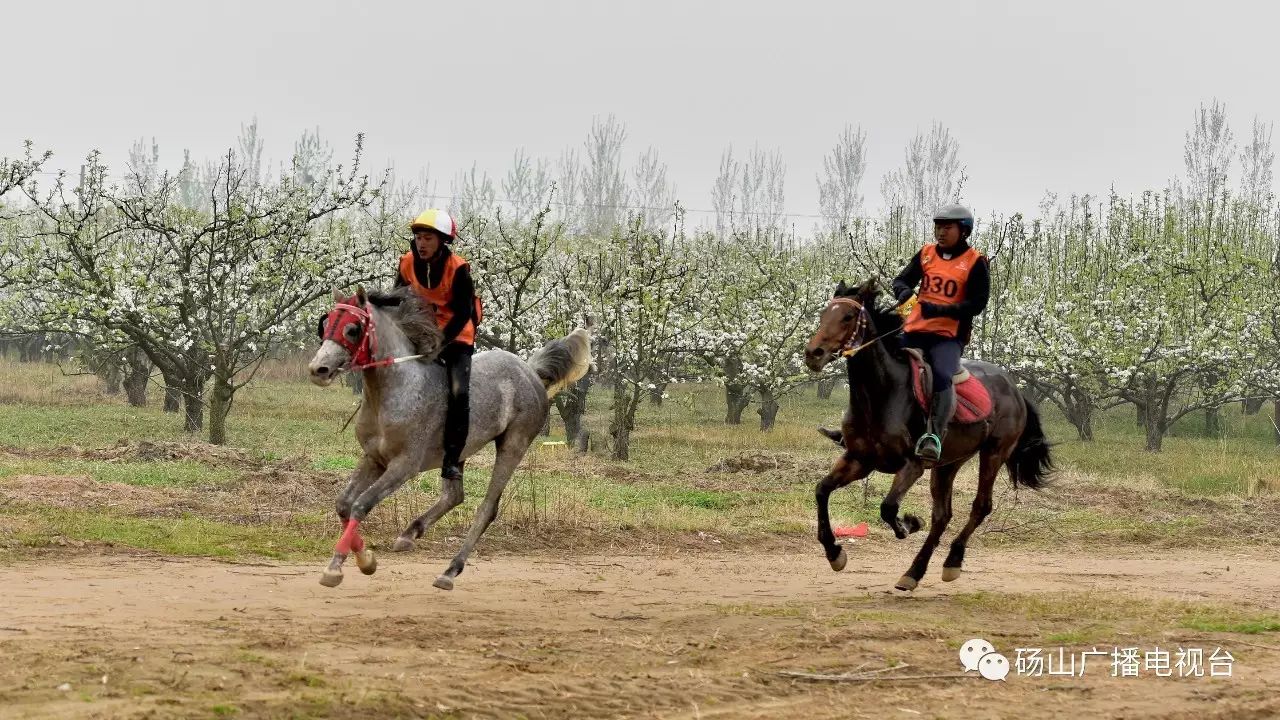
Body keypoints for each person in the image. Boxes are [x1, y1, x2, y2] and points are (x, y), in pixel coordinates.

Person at [891, 204, 990, 464]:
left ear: (964, 231)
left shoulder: (975, 262)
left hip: (947, 336)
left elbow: (977, 304)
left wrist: (942, 309)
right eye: (938, 227)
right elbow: (901, 280)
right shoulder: (925, 254)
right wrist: (902, 291)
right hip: (914, 330)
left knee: (943, 374)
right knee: (883, 362)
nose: (940, 232)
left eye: (947, 227)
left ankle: (932, 436)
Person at [394, 209, 479, 482]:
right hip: (423, 330)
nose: (421, 243)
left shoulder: (459, 269)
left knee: (458, 393)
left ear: (442, 241)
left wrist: (440, 343)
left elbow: (464, 313)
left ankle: (452, 459)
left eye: (428, 238)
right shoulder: (406, 262)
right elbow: (397, 298)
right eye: (418, 237)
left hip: (456, 335)